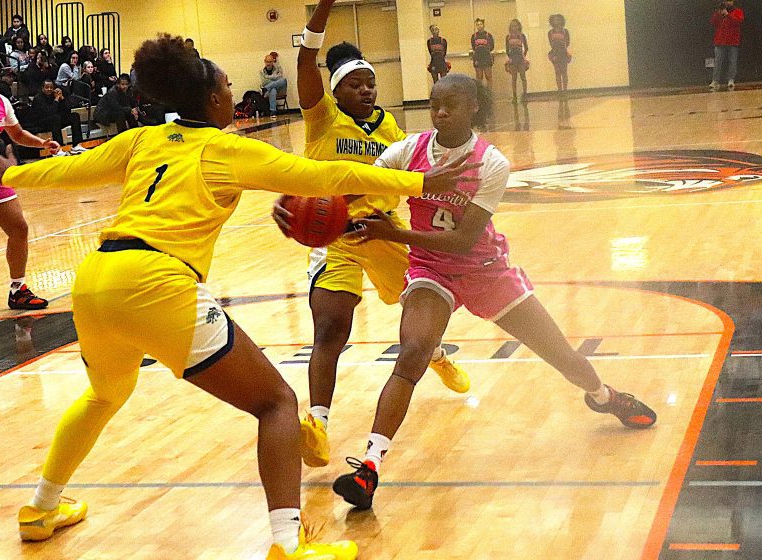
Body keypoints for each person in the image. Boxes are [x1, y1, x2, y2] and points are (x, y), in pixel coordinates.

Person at [0, 34, 477, 560]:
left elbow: (73, 170)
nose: (234, 92)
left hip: (97, 281)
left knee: (102, 396)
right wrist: (420, 183)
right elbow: (323, 174)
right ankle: (288, 544)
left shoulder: (142, 140)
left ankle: (41, 508)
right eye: (229, 86)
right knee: (277, 404)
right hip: (157, 280)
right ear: (214, 99)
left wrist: (11, 173)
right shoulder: (227, 149)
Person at [332, 74, 658, 510]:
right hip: (432, 271)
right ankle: (370, 467)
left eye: (451, 104)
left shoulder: (491, 163)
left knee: (562, 356)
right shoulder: (408, 150)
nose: (440, 112)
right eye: (435, 104)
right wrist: (319, 205)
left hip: (485, 270)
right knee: (412, 353)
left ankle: (604, 396)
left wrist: (393, 234)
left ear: (473, 108)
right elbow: (358, 184)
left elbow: (463, 241)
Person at [271, 0, 472, 472]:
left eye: (370, 83)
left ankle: (435, 354)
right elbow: (305, 60)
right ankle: (317, 425)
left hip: (383, 233)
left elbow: (411, 174)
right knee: (330, 328)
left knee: (421, 315)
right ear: (335, 91)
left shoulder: (391, 128)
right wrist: (324, 6)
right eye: (355, 84)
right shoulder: (322, 118)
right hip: (334, 238)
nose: (365, 89)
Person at [0, 53, 58, 310]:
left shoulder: (1, 101)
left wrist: (42, 143)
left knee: (19, 228)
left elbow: (17, 134)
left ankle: (18, 290)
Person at [25, 79, 85, 150]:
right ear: (42, 88)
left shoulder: (54, 95)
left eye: (51, 87)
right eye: (47, 87)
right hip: (40, 123)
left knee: (74, 116)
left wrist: (62, 98)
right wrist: (56, 99)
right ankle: (58, 148)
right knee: (55, 118)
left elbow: (67, 110)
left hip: (55, 120)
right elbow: (50, 112)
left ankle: (77, 145)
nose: (49, 89)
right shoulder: (38, 98)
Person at [709, 0, 744, 91]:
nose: (728, 3)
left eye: (730, 1)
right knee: (718, 62)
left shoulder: (738, 11)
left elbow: (738, 21)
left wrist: (728, 15)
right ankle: (715, 81)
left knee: (732, 61)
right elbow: (713, 22)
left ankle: (731, 80)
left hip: (733, 41)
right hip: (720, 41)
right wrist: (718, 13)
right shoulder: (719, 12)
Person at [505, 19, 528, 102]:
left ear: (518, 26)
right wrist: (510, 58)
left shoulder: (522, 36)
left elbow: (526, 48)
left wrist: (523, 57)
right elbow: (507, 49)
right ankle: (514, 96)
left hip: (520, 59)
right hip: (513, 59)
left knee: (523, 77)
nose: (514, 27)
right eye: (512, 26)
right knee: (514, 78)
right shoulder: (508, 37)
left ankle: (525, 95)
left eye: (515, 25)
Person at [548, 14, 571, 93]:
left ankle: (565, 90)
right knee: (557, 72)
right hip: (555, 53)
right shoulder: (550, 32)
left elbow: (567, 43)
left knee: (564, 72)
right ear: (552, 21)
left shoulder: (565, 31)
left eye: (558, 19)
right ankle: (559, 90)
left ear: (562, 20)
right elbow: (551, 44)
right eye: (555, 20)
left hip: (563, 53)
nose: (557, 21)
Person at [260, 53, 287, 119]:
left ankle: (266, 88)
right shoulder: (261, 71)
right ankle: (273, 111)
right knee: (273, 90)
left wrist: (268, 77)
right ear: (264, 61)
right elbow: (264, 82)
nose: (268, 63)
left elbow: (280, 78)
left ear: (273, 62)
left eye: (270, 62)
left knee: (284, 80)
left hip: (279, 89)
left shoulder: (278, 68)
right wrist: (275, 79)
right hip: (268, 92)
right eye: (267, 61)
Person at [470, 18, 494, 88]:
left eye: (481, 24)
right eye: (477, 24)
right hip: (477, 58)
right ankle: (481, 93)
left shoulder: (488, 35)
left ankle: (489, 93)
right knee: (479, 78)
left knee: (488, 76)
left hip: (487, 57)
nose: (479, 26)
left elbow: (492, 46)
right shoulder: (474, 36)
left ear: (483, 25)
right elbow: (473, 47)